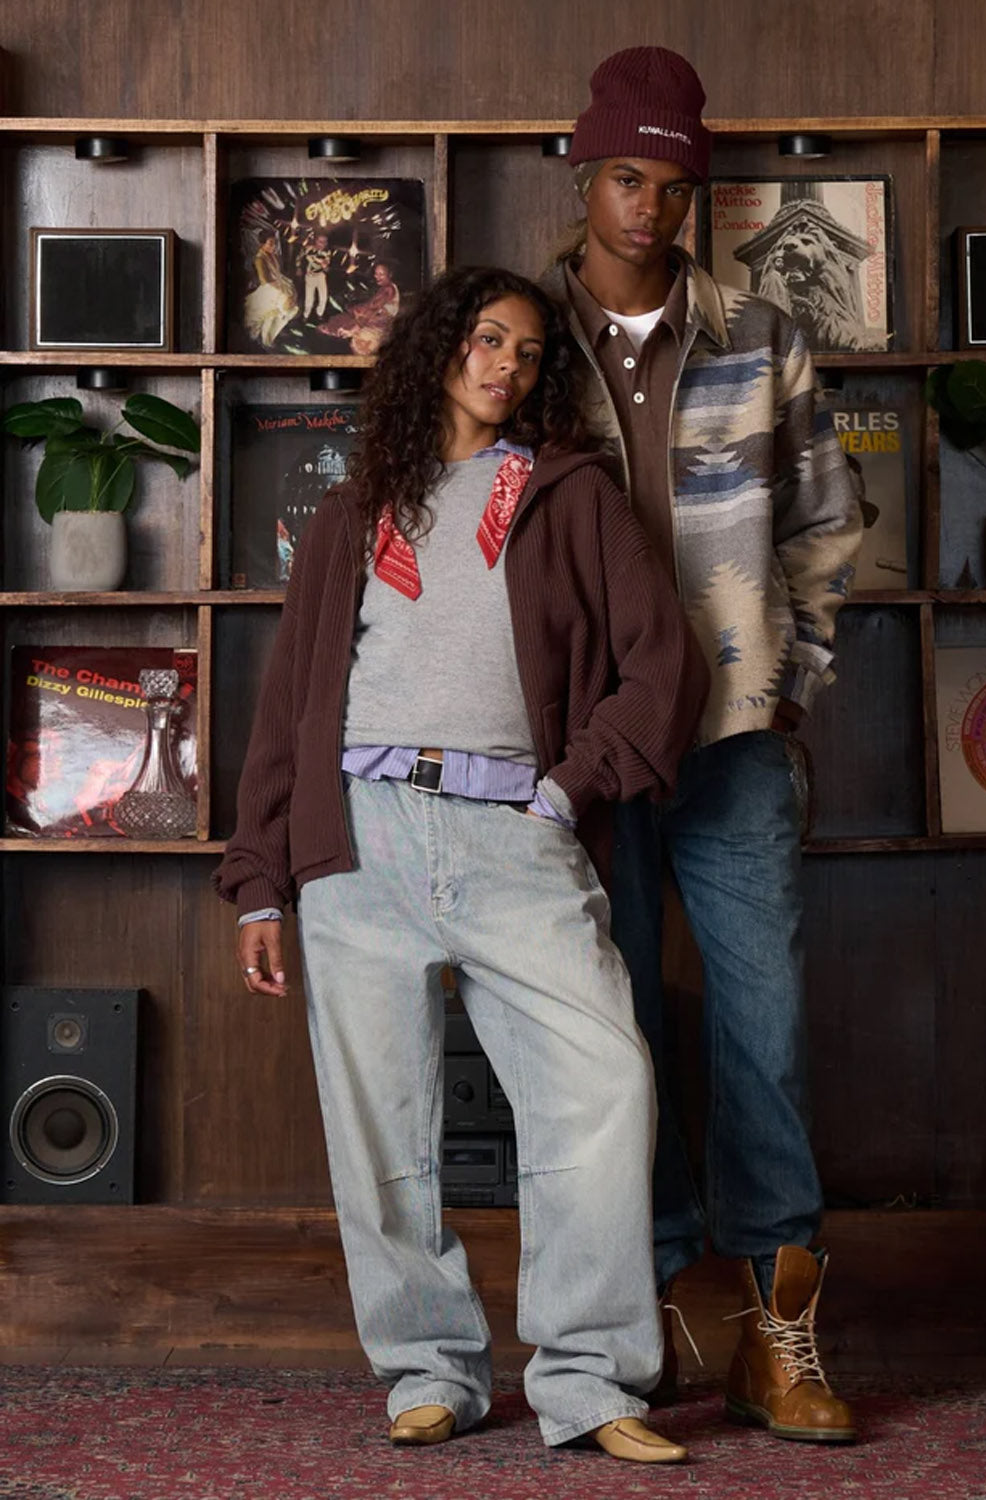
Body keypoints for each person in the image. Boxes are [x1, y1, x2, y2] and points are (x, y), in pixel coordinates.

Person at [214, 265, 709, 1462]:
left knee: (603, 1085)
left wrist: (566, 790)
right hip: (358, 841)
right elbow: (289, 717)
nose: (506, 366)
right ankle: (429, 1371)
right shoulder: (351, 517)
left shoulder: (568, 495)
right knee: (379, 1123)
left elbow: (664, 667)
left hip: (512, 835)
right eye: (488, 341)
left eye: (530, 353)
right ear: (440, 350)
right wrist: (257, 884)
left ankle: (590, 1381)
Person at [545, 47, 864, 1443]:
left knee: (762, 1026)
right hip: (576, 746)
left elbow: (828, 522)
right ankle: (671, 1306)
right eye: (627, 176)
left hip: (733, 735)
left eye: (673, 185)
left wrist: (795, 681)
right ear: (585, 171)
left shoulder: (761, 334)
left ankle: (781, 1329)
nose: (648, 207)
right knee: (601, 1036)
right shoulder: (518, 336)